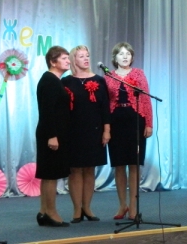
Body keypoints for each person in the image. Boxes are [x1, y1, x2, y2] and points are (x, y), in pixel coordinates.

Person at [61, 45, 111, 223]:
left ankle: (87, 208)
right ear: (73, 59)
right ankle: (76, 209)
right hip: (72, 131)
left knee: (90, 169)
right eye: (81, 56)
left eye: (87, 55)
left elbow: (105, 107)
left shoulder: (99, 80)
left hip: (94, 130)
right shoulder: (66, 81)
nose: (86, 59)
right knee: (75, 170)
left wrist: (107, 130)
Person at [106, 42, 153, 220]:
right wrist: (105, 127)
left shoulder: (139, 74)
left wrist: (149, 123)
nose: (125, 57)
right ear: (115, 57)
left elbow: (146, 99)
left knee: (134, 164)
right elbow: (105, 103)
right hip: (116, 121)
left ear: (132, 57)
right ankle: (122, 205)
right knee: (119, 165)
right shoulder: (108, 76)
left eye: (128, 54)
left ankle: (133, 206)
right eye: (121, 54)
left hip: (136, 121)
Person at [35, 46, 71, 227]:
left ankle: (43, 211)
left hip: (53, 132)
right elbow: (47, 110)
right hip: (50, 133)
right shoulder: (50, 80)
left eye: (68, 58)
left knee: (48, 174)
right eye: (64, 58)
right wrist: (52, 135)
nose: (68, 61)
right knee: (50, 174)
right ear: (52, 61)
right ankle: (51, 212)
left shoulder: (54, 80)